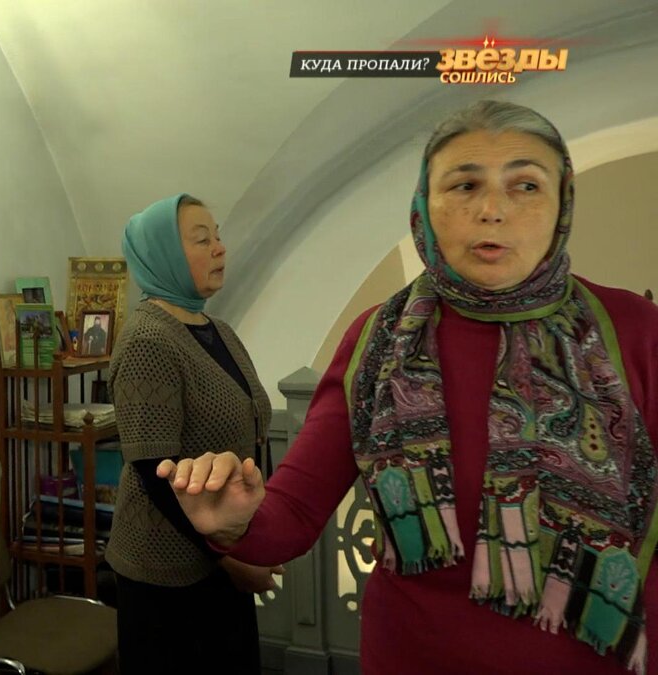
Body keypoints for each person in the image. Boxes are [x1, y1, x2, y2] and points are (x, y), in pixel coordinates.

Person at [161, 100, 658, 674]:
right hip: (411, 655)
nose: (492, 210)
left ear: (561, 203)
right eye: (464, 185)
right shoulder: (378, 339)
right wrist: (233, 520)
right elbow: (292, 513)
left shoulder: (633, 332)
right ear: (424, 204)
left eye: (526, 185)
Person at [107, 193, 280, 674]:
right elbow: (154, 472)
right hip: (166, 574)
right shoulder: (148, 340)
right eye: (202, 240)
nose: (220, 248)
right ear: (163, 254)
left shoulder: (217, 330)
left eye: (218, 236)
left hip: (222, 554)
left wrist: (250, 538)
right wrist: (232, 558)